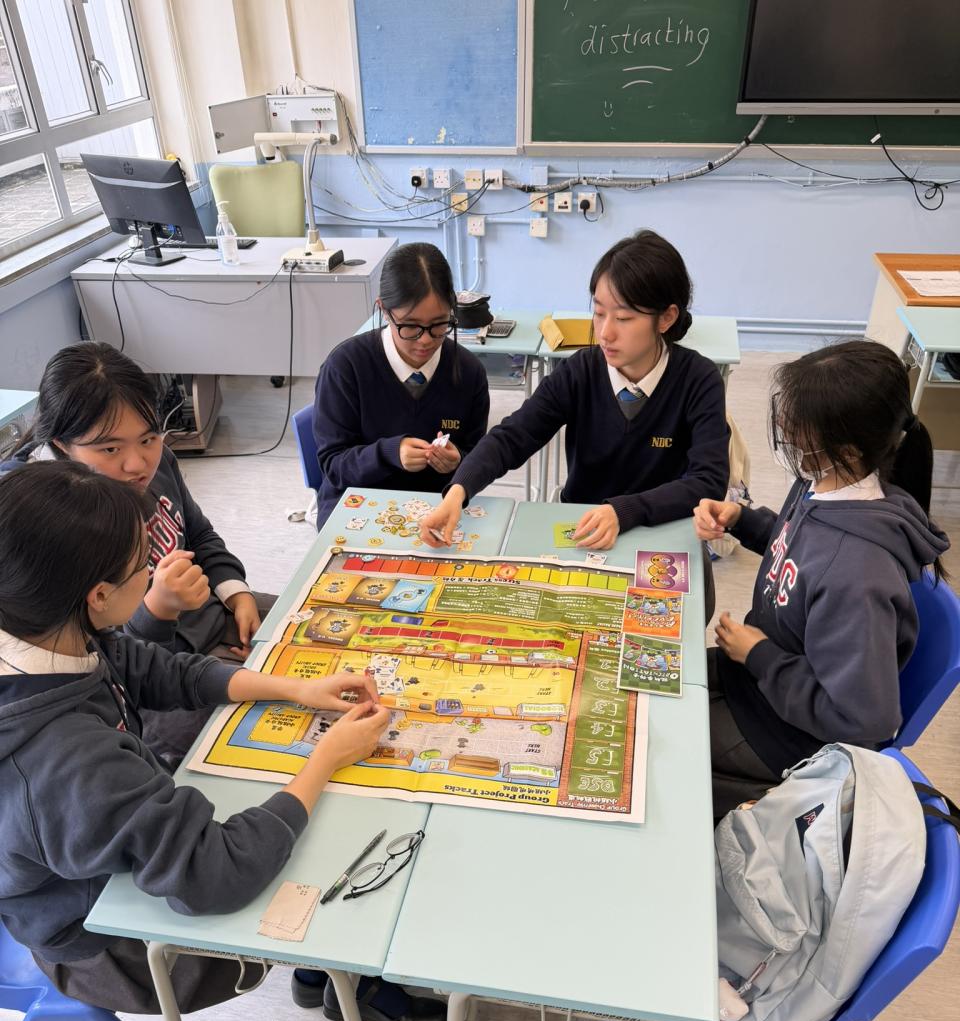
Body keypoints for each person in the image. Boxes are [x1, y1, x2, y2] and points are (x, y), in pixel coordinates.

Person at [0, 462, 446, 1021]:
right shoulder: (69, 758)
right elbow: (220, 873)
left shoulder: (46, 630)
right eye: (143, 565)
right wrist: (325, 758)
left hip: (99, 852)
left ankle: (324, 973)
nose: (154, 572)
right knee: (340, 844)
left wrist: (296, 688)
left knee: (289, 813)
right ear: (100, 595)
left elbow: (154, 667)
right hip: (110, 946)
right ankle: (341, 976)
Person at [693, 340, 950, 824]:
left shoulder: (858, 575)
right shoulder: (821, 482)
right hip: (754, 679)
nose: (786, 437)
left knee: (651, 745)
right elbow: (800, 548)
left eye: (796, 433)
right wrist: (744, 521)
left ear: (846, 449)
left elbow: (862, 722)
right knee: (641, 682)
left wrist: (759, 654)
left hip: (783, 731)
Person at [0, 341, 276, 765]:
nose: (137, 464)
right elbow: (97, 657)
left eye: (148, 438)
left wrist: (235, 592)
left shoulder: (155, 461)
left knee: (317, 626)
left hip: (205, 623)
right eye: (110, 449)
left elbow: (199, 533)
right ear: (61, 444)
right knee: (236, 751)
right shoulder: (42, 516)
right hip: (145, 674)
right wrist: (157, 609)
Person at [419, 230, 730, 555]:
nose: (605, 332)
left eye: (624, 318)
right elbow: (512, 437)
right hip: (582, 529)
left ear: (666, 318)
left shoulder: (698, 379)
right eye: (599, 313)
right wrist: (458, 490)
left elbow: (707, 480)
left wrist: (624, 511)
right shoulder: (580, 371)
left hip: (661, 533)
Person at [311, 241, 489, 527]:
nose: (425, 340)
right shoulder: (346, 367)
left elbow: (477, 456)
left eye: (440, 324)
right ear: (384, 310)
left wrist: (459, 461)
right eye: (410, 326)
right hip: (356, 505)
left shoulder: (469, 373)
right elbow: (333, 466)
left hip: (437, 507)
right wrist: (388, 454)